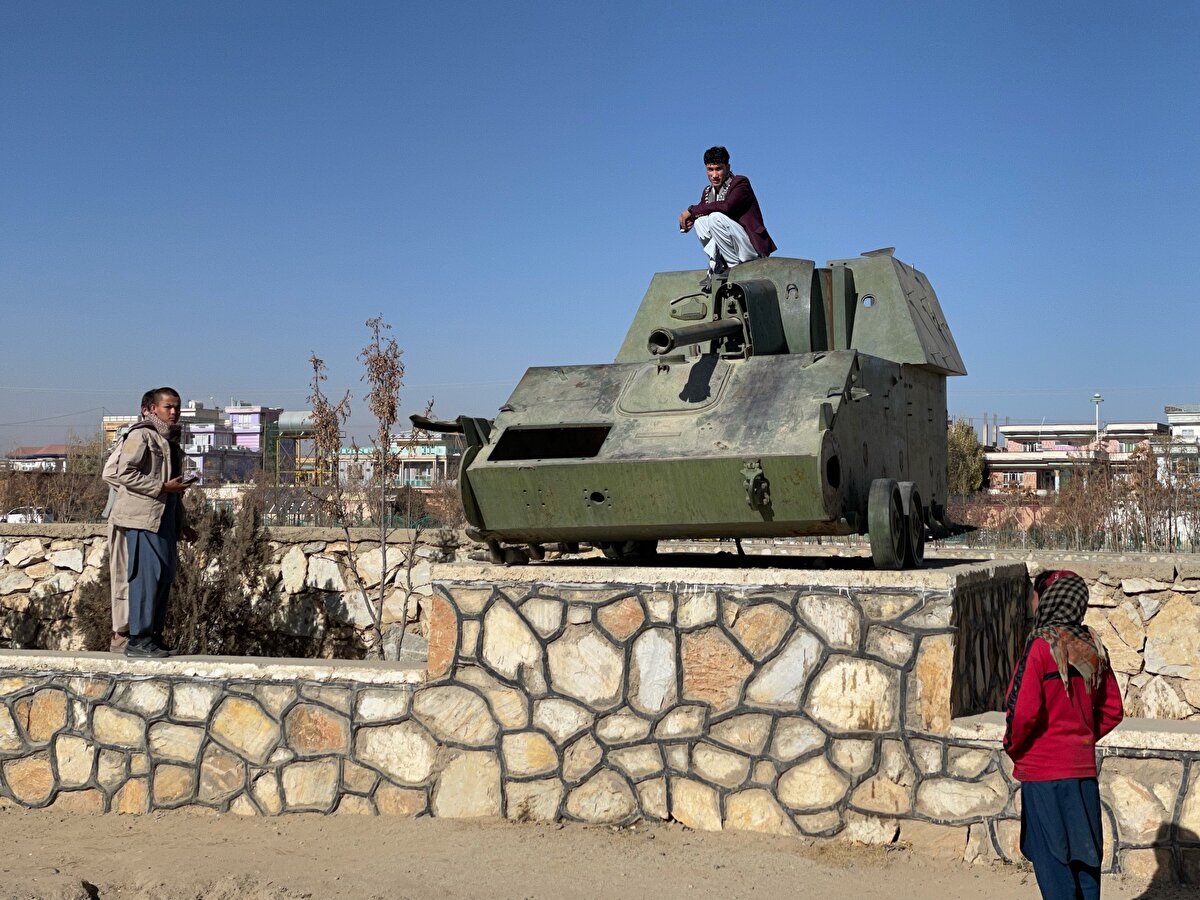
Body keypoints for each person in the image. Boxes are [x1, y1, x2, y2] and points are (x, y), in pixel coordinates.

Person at [1003, 570, 1124, 900]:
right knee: (1085, 866)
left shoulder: (1041, 648)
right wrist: (1079, 740)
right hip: (1082, 776)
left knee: (1054, 867)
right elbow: (1113, 710)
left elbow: (1022, 714)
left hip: (1044, 777)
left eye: (1035, 595)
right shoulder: (1092, 647)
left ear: (1047, 599)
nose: (1032, 603)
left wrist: (1015, 749)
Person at [101, 387, 197, 658]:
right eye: (168, 407)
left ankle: (153, 636)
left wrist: (182, 524)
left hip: (163, 520)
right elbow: (123, 473)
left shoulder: (170, 440)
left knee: (163, 577)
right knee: (145, 578)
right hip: (142, 519)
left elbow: (172, 492)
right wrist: (162, 486)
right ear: (152, 409)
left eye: (177, 407)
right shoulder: (140, 434)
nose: (174, 412)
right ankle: (138, 638)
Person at [101, 389, 156, 652]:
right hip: (125, 516)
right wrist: (140, 490)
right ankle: (121, 632)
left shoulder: (158, 438)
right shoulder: (135, 435)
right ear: (147, 409)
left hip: (144, 518)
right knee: (123, 573)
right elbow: (111, 472)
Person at [678, 146, 776, 292]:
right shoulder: (707, 192)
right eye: (710, 170)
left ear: (728, 167)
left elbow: (726, 207)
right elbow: (705, 210)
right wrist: (693, 218)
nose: (714, 175)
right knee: (701, 221)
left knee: (715, 217)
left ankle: (733, 268)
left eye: (719, 169)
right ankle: (717, 265)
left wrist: (692, 210)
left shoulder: (740, 183)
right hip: (730, 245)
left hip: (749, 247)